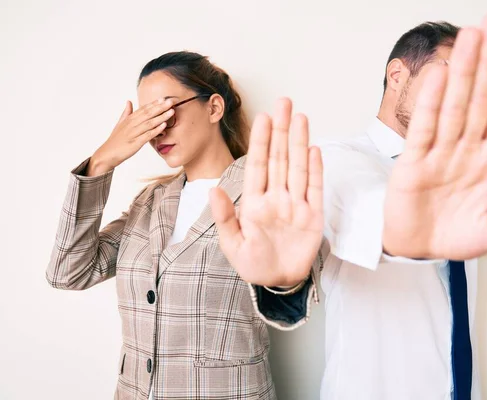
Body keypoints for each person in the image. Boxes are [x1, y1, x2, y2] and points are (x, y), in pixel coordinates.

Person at [223, 13, 487, 400]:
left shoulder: (464, 176)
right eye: (452, 74)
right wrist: (408, 233)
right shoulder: (336, 158)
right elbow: (370, 216)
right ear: (398, 75)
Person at [46, 51, 325, 400]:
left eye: (167, 110)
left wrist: (285, 284)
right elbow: (68, 272)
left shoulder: (267, 193)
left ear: (213, 108)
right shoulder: (150, 203)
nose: (157, 130)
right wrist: (102, 161)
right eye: (148, 118)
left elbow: (292, 293)